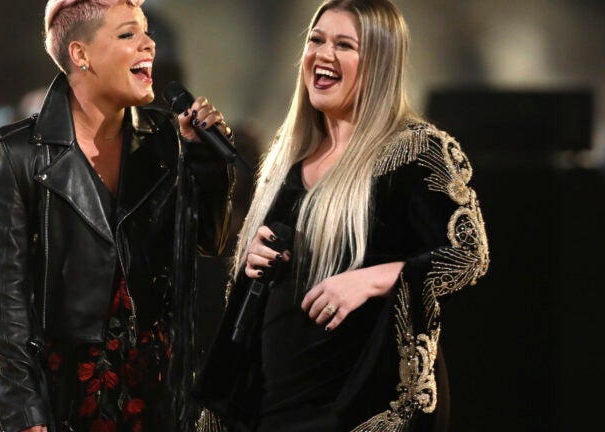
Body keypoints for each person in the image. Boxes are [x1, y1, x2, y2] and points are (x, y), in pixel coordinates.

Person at [192, 0, 489, 431]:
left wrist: (369, 280)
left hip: (357, 407)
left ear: (380, 63)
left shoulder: (416, 151)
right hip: (274, 407)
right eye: (316, 40)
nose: (323, 54)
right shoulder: (288, 159)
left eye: (344, 45)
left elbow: (468, 257)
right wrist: (253, 260)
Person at [0, 1, 235, 431]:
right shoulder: (19, 154)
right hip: (59, 390)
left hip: (150, 390)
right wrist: (26, 414)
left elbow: (209, 242)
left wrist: (207, 164)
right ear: (80, 54)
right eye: (127, 34)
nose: (148, 44)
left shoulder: (166, 142)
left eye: (146, 32)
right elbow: (3, 305)